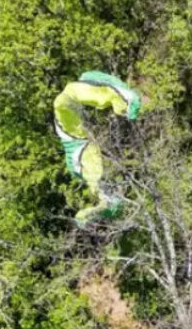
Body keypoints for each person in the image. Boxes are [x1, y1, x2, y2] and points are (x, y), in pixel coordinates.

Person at [53, 71, 142, 227]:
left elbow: (97, 183)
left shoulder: (85, 168)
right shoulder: (90, 168)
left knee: (64, 99)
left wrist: (86, 215)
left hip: (75, 138)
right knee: (65, 98)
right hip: (76, 138)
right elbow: (100, 187)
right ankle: (117, 95)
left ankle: (110, 90)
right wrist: (88, 214)